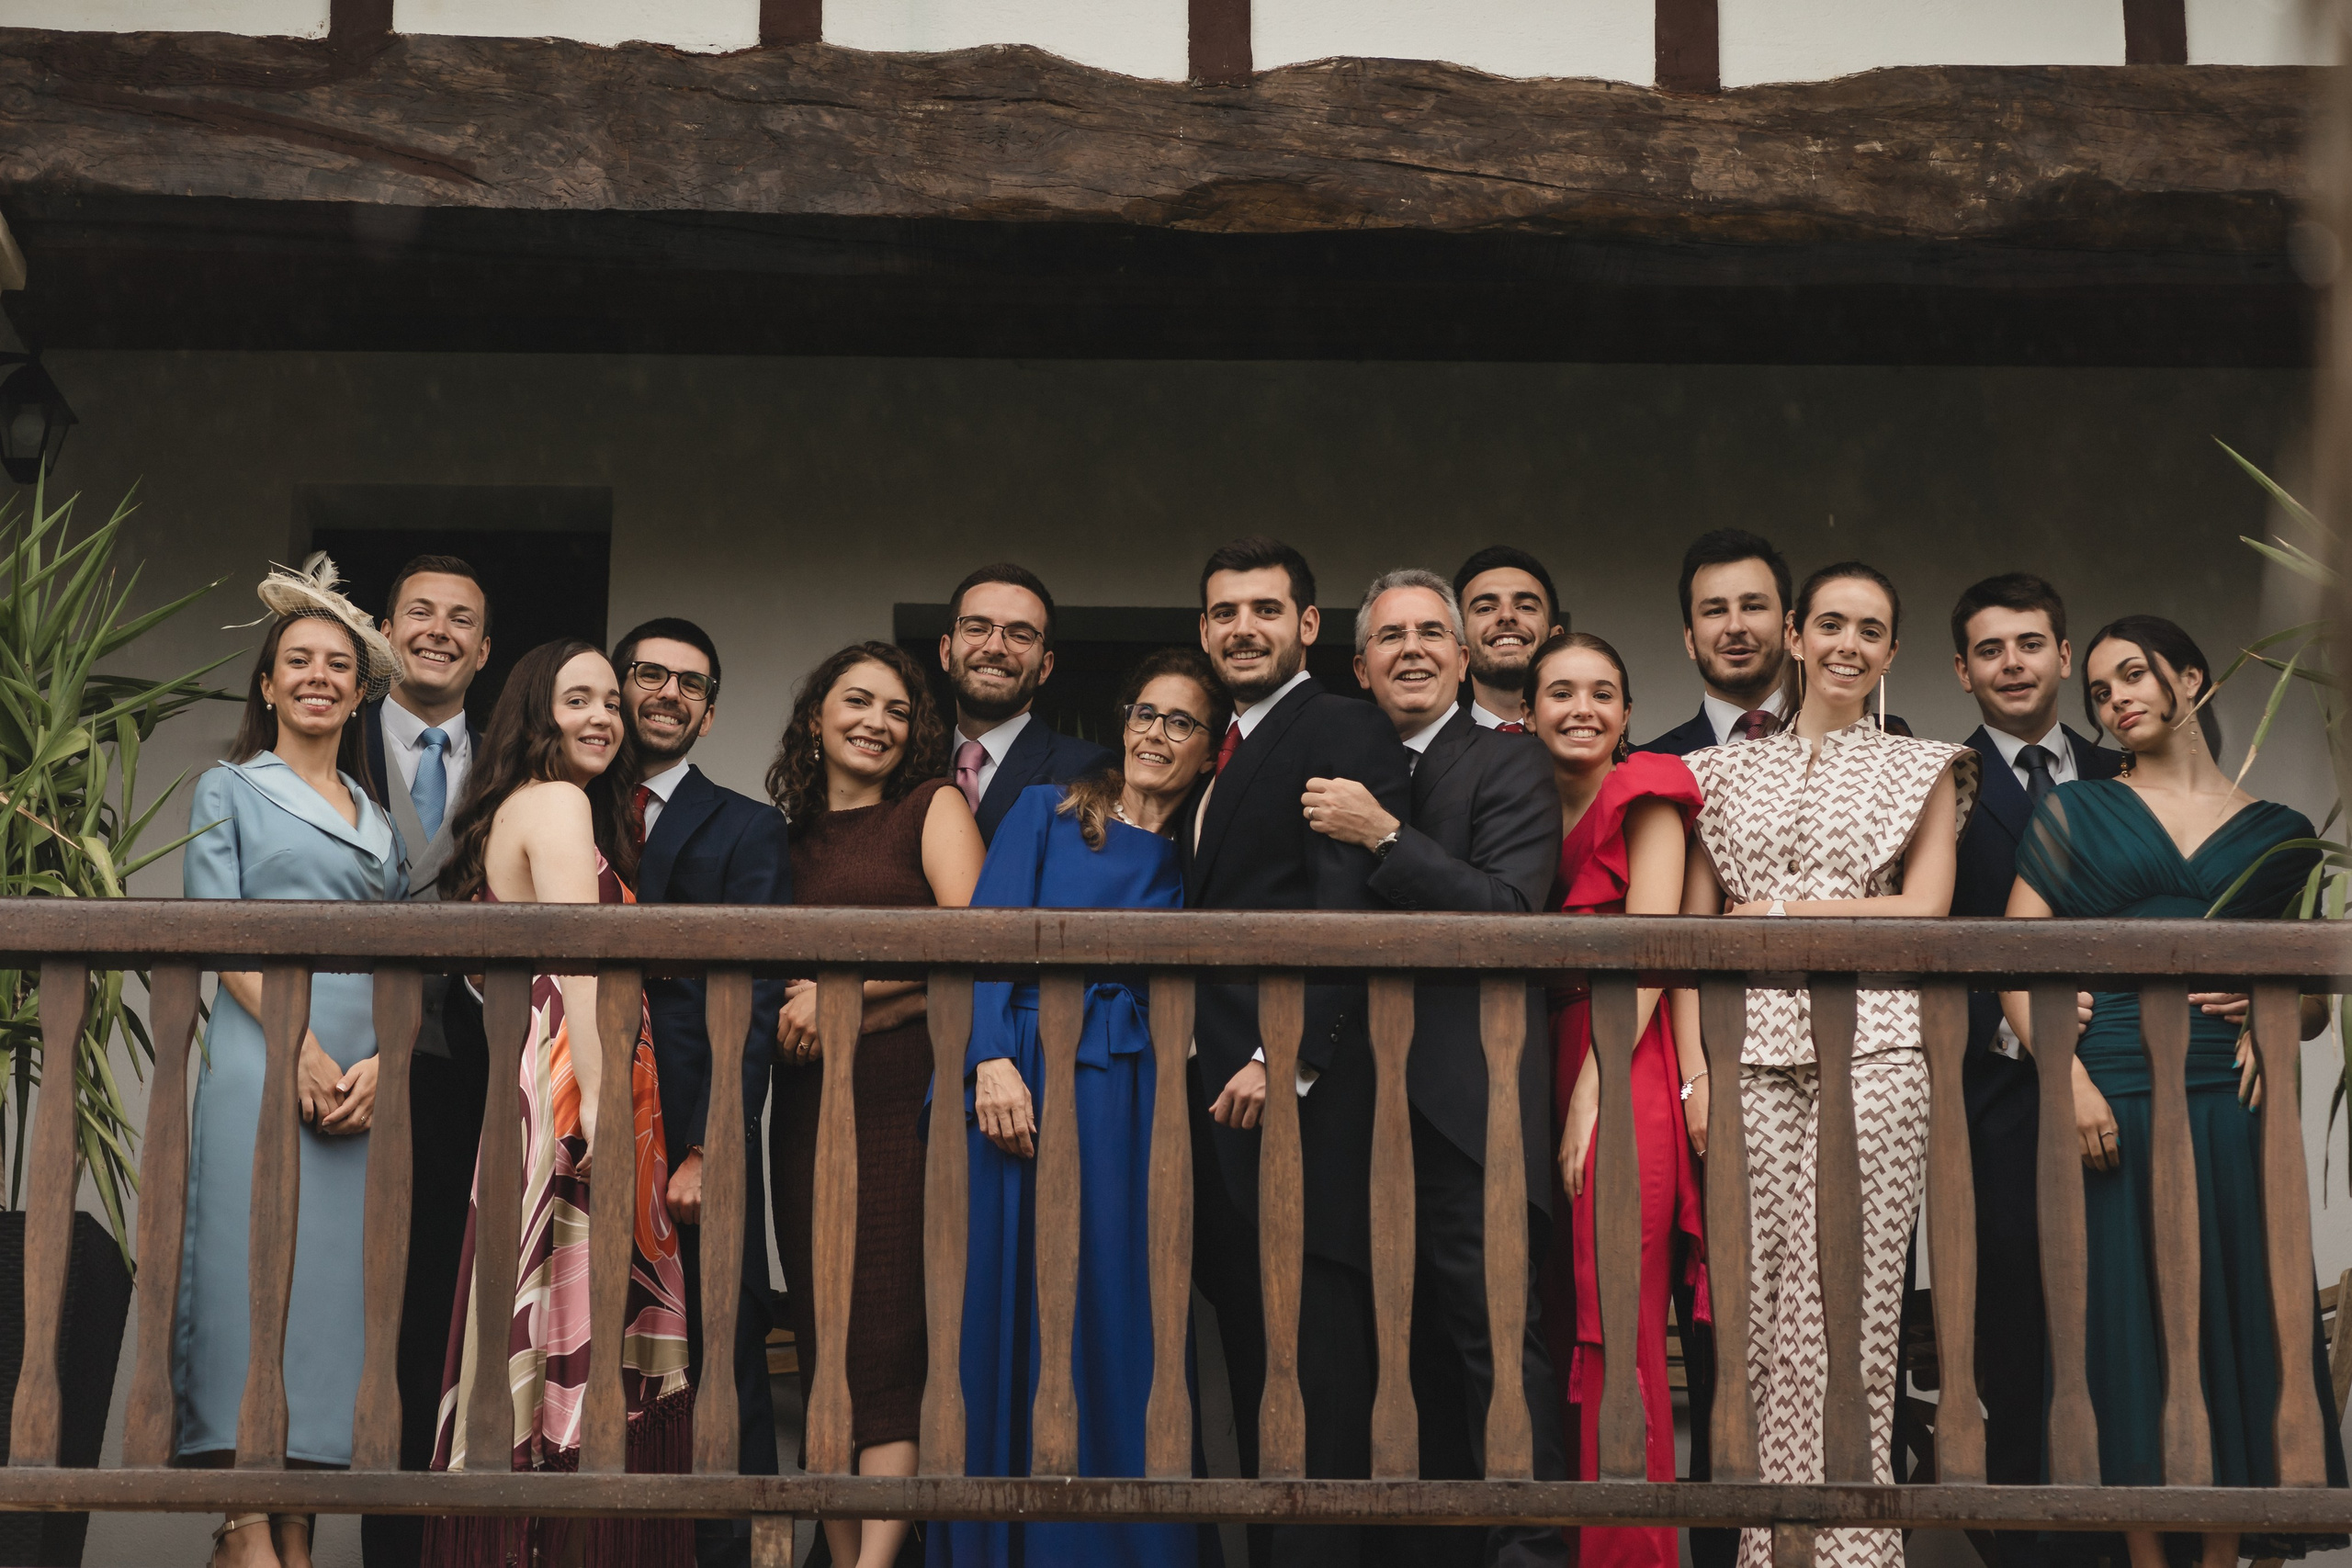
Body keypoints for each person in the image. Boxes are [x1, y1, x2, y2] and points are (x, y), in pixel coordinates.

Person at [2003, 615, 2347, 1568]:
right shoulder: (2071, 815)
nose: (2115, 700)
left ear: (2190, 678)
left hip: (2231, 1109)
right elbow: (2008, 966)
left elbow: (2313, 1010)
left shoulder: (2278, 833)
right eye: (2101, 692)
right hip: (2106, 1094)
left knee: (2234, 1319)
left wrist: (2281, 1015)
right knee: (2123, 1329)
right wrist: (2063, 1080)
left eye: (2133, 676)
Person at [1679, 562, 1976, 1568]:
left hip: (1880, 1047)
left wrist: (1778, 912)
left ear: (1891, 653)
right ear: (1796, 638)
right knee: (1759, 1314)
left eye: (1873, 630)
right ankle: (1772, 1550)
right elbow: (1683, 936)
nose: (1850, 644)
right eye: (1832, 624)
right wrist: (1695, 1075)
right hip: (1745, 1050)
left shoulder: (1926, 764)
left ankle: (1856, 1552)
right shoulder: (1716, 775)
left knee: (1851, 1309)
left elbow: (1924, 911)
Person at [933, 647, 1229, 1568]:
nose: (1154, 734)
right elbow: (988, 933)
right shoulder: (1049, 810)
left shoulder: (1199, 857)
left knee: (1112, 1302)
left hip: (1123, 1093)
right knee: (997, 1305)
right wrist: (989, 1058)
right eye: (1145, 713)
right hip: (1014, 1064)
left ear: (1212, 749)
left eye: (1180, 722)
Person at [1303, 570, 1566, 1568]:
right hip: (1351, 1110)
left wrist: (1383, 834)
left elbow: (1506, 916)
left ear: (1462, 658)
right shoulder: (1334, 766)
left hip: (1471, 1106)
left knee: (1494, 1342)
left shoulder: (1505, 765)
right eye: (1389, 637)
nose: (1410, 649)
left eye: (1430, 634)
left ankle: (1531, 1550)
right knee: (1377, 1354)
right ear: (1361, 664)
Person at [424, 638, 694, 1568]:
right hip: (579, 1077)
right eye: (578, 699)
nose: (603, 718)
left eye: (612, 703)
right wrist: (609, 1116)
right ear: (536, 712)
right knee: (577, 1302)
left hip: (560, 1075)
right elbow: (581, 966)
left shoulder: (521, 807)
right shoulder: (557, 802)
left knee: (548, 1306)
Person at [1186, 536, 1411, 1568]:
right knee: (1252, 1369)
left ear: (1309, 628)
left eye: (1266, 611)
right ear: (1203, 630)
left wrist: (1290, 1058)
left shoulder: (1346, 728)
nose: (1244, 628)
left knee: (1313, 1379)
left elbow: (1345, 910)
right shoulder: (1212, 749)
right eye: (1225, 612)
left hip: (1298, 1107)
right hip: (1213, 1107)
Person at [179, 559, 406, 1568]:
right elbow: (219, 937)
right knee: (246, 1274)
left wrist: (377, 1066)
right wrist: (303, 1048)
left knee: (329, 1303)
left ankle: (298, 1533)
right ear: (266, 687)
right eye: (297, 662)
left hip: (359, 1082)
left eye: (338, 666)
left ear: (361, 693)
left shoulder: (382, 821)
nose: (318, 677)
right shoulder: (227, 788)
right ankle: (241, 1527)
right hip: (263, 1058)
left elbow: (406, 964)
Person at [766, 641, 985, 1568]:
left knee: (889, 1341)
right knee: (823, 1340)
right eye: (856, 703)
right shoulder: (784, 839)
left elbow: (980, 950)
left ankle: (879, 1559)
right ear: (816, 719)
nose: (877, 723)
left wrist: (848, 994)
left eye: (897, 711)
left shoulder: (928, 809)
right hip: (809, 1108)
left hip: (903, 1100)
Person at [608, 616, 793, 1568]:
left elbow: (754, 999)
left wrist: (713, 1143)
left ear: (710, 714)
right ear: (618, 686)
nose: (668, 693)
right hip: (576, 1113)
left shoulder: (750, 828)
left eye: (689, 684)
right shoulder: (569, 805)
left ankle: (728, 1551)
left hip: (694, 1118)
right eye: (649, 673)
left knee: (718, 1339)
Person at [1944, 573, 2120, 1538]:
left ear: (2063, 653)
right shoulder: (1936, 777)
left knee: (2121, 1325)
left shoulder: (2123, 766)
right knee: (2012, 1334)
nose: (2011, 663)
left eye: (2029, 643)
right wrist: (2014, 1022)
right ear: (1959, 668)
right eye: (1989, 648)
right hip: (1993, 1098)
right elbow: (1925, 941)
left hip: (2130, 1087)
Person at [1528, 630, 1708, 1568]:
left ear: (1629, 714)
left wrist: (1595, 1088)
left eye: (1602, 692)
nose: (1582, 709)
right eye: (1560, 692)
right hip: (1548, 1058)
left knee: (1619, 1320)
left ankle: (1630, 1553)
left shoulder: (1651, 794)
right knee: (1559, 1319)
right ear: (1526, 713)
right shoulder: (1523, 805)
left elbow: (1654, 948)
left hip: (1621, 1060)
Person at [354, 554, 492, 1568]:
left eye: (461, 620)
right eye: (420, 613)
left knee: (433, 1322)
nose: (438, 630)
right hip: (336, 1062)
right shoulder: (329, 728)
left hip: (464, 1079)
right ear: (385, 631)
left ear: (485, 651)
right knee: (327, 1306)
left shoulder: (511, 764)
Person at [939, 563, 1115, 845]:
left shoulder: (1086, 771)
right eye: (976, 628)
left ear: (1045, 667)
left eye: (1020, 635)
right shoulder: (914, 763)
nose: (995, 647)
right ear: (946, 652)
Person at [1637, 529, 1792, 756]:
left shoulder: (1846, 751)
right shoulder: (1648, 767)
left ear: (1789, 630)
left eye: (1752, 607)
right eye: (1715, 611)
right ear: (1690, 639)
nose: (1735, 627)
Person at [1451, 545, 1564, 729]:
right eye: (1485, 608)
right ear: (1459, 645)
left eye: (1525, 606)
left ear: (1556, 640)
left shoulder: (1616, 758)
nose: (1506, 615)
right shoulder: (1424, 755)